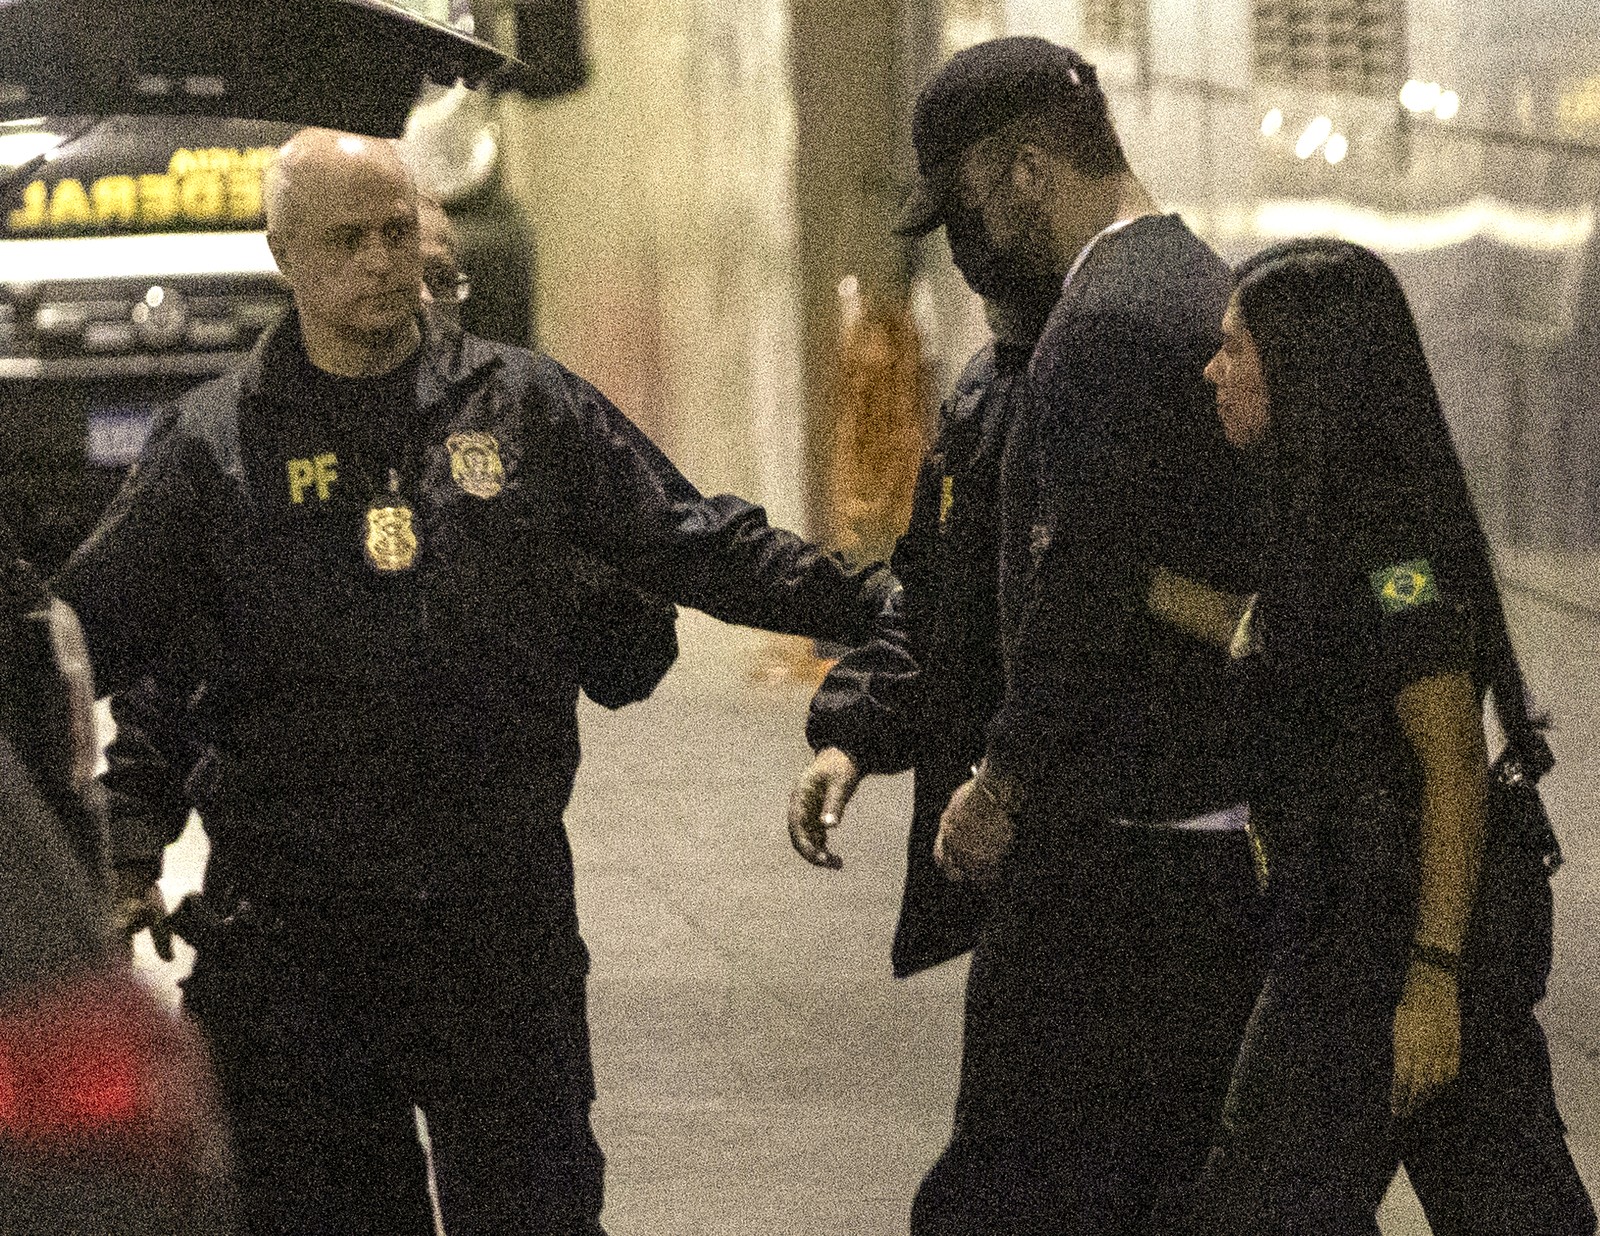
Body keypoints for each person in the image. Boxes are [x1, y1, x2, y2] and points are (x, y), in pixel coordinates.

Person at [55, 128, 898, 1236]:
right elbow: (90, 650)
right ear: (284, 256)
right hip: (298, 948)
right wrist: (117, 848)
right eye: (345, 240)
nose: (379, 261)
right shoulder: (214, 450)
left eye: (396, 232)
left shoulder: (525, 409)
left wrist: (877, 604)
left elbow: (697, 542)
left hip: (496, 930)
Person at [797, 37, 1264, 1234]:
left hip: (1113, 865)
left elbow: (1074, 600)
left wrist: (998, 782)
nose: (962, 241)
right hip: (1195, 850)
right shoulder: (1192, 283)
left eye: (962, 204)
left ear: (1023, 170)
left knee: (1002, 1196)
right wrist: (874, 724)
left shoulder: (1099, 324)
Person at [107, 197, 681, 957]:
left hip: (493, 916)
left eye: (439, 280)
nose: (414, 299)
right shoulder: (232, 441)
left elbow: (629, 662)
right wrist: (131, 842)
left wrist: (568, 570)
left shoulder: (526, 420)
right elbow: (166, 655)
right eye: (369, 257)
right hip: (294, 918)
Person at [1173, 237, 1596, 1235]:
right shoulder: (1324, 522)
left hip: (1392, 946)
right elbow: (1287, 643)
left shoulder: (1391, 546)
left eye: (1235, 348)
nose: (1213, 370)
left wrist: (1432, 984)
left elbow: (1450, 769)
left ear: (1305, 367)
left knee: (1264, 1212)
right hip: (1350, 928)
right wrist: (1135, 589)